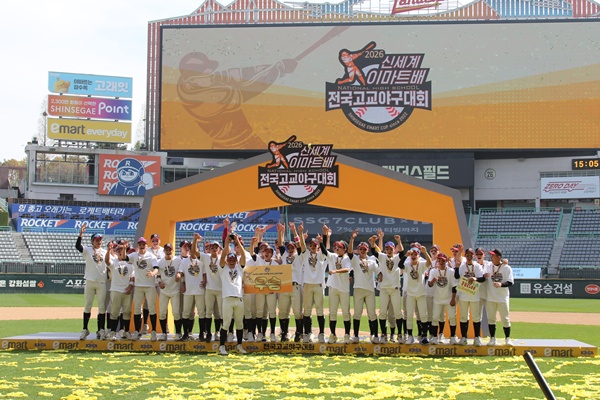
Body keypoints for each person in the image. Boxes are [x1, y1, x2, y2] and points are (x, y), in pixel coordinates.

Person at [75, 225, 108, 340]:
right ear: (92, 241)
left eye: (100, 240)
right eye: (97, 240)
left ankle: (101, 330)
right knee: (88, 306)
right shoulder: (88, 250)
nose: (99, 242)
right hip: (90, 281)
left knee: (102, 307)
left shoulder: (105, 252)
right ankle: (85, 329)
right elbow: (78, 246)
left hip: (101, 282)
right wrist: (81, 234)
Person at [370, 233, 404, 344]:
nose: (389, 251)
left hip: (394, 288)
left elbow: (402, 253)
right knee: (383, 313)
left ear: (394, 249)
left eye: (391, 249)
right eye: (387, 249)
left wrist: (399, 241)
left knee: (397, 313)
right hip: (384, 288)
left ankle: (399, 334)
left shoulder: (397, 258)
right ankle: (384, 334)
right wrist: (373, 242)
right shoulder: (382, 257)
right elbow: (373, 251)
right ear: (385, 250)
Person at [320, 226, 351, 344]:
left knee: (345, 312)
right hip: (333, 287)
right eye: (336, 246)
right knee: (332, 312)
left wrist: (335, 271)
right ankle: (333, 335)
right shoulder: (333, 256)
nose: (337, 248)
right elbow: (324, 251)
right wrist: (324, 237)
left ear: (345, 249)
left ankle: (347, 335)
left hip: (344, 289)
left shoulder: (347, 258)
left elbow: (347, 269)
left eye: (340, 247)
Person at [217, 234, 247, 355]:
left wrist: (238, 242)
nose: (231, 262)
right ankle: (221, 347)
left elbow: (243, 255)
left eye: (233, 260)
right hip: (227, 298)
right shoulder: (223, 268)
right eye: (229, 260)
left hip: (239, 298)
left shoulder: (239, 268)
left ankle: (239, 345)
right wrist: (227, 243)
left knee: (239, 324)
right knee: (226, 324)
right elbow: (223, 256)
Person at [298, 223, 328, 343]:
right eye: (311, 245)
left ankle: (321, 334)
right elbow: (302, 245)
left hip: (319, 285)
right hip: (308, 284)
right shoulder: (306, 254)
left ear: (318, 246)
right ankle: (307, 333)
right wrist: (300, 233)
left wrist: (324, 235)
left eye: (315, 245)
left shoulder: (321, 255)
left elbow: (325, 249)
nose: (313, 247)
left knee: (320, 310)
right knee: (307, 310)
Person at [348, 229, 379, 343]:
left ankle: (374, 335)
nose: (362, 251)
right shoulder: (355, 260)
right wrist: (352, 238)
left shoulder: (372, 261)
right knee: (357, 313)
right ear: (358, 250)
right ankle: (356, 336)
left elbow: (379, 270)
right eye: (360, 249)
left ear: (367, 250)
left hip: (370, 289)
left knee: (372, 313)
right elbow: (349, 252)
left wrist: (380, 275)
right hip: (358, 289)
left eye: (364, 249)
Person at [126, 237, 159, 341]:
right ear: (138, 245)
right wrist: (123, 248)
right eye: (140, 244)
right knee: (137, 309)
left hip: (149, 286)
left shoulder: (151, 256)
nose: (142, 246)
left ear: (146, 245)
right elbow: (124, 258)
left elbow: (156, 268)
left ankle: (153, 332)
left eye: (143, 244)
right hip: (138, 286)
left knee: (152, 308)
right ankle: (137, 331)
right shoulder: (134, 255)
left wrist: (153, 273)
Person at [455, 247, 486, 346]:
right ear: (465, 255)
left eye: (471, 254)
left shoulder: (477, 266)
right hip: (463, 294)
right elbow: (457, 276)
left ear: (473, 255)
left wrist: (475, 278)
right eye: (467, 254)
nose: (469, 256)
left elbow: (482, 279)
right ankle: (464, 337)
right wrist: (456, 267)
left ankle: (477, 337)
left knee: (476, 317)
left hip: (474, 295)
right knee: (463, 316)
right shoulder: (462, 266)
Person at [178, 235, 207, 341]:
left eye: (194, 248)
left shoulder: (202, 260)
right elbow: (181, 273)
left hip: (199, 290)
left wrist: (204, 281)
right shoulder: (184, 261)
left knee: (201, 312)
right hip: (188, 290)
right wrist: (181, 281)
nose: (192, 251)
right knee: (186, 312)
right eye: (190, 249)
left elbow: (205, 273)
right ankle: (185, 334)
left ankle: (201, 333)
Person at [402, 245, 432, 344]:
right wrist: (405, 256)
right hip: (410, 294)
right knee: (409, 315)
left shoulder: (422, 264)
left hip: (421, 294)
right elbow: (400, 265)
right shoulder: (407, 265)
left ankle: (424, 336)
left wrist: (425, 252)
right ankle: (410, 336)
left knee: (423, 316)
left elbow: (430, 263)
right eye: (412, 254)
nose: (413, 256)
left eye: (416, 254)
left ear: (419, 256)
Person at [104, 241, 134, 340]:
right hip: (116, 290)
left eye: (122, 250)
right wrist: (108, 250)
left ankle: (126, 331)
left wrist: (130, 286)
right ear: (116, 252)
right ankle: (113, 332)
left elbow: (132, 276)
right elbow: (107, 261)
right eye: (119, 250)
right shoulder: (114, 262)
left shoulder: (129, 263)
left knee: (127, 312)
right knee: (114, 312)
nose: (120, 252)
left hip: (126, 291)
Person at [484, 248, 514, 346]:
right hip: (490, 297)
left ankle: (507, 338)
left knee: (505, 318)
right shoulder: (488, 266)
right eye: (491, 255)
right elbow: (480, 262)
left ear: (499, 257)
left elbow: (510, 282)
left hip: (502, 297)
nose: (491, 257)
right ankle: (492, 338)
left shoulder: (506, 268)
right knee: (491, 319)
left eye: (493, 255)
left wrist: (501, 284)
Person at [427, 253, 457, 345]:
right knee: (435, 318)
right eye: (439, 260)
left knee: (452, 317)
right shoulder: (433, 271)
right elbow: (429, 284)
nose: (441, 262)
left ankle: (452, 337)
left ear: (446, 261)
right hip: (438, 299)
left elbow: (454, 286)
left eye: (443, 260)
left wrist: (453, 299)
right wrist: (433, 281)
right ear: (437, 261)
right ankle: (435, 337)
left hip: (449, 298)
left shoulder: (451, 271)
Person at [156, 243, 182, 341]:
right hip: (164, 290)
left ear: (173, 250)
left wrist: (179, 274)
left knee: (176, 313)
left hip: (175, 290)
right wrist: (159, 282)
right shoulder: (160, 262)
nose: (168, 251)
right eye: (166, 250)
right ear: (164, 251)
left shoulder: (178, 260)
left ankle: (178, 333)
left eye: (169, 250)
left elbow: (181, 270)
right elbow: (158, 275)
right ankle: (164, 333)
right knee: (162, 313)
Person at [201, 240, 224, 343]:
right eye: (212, 247)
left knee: (220, 313)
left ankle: (218, 332)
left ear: (219, 249)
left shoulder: (222, 259)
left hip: (220, 289)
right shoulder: (206, 257)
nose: (214, 249)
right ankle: (209, 333)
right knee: (208, 312)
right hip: (209, 289)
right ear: (209, 249)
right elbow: (195, 252)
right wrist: (196, 240)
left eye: (216, 247)